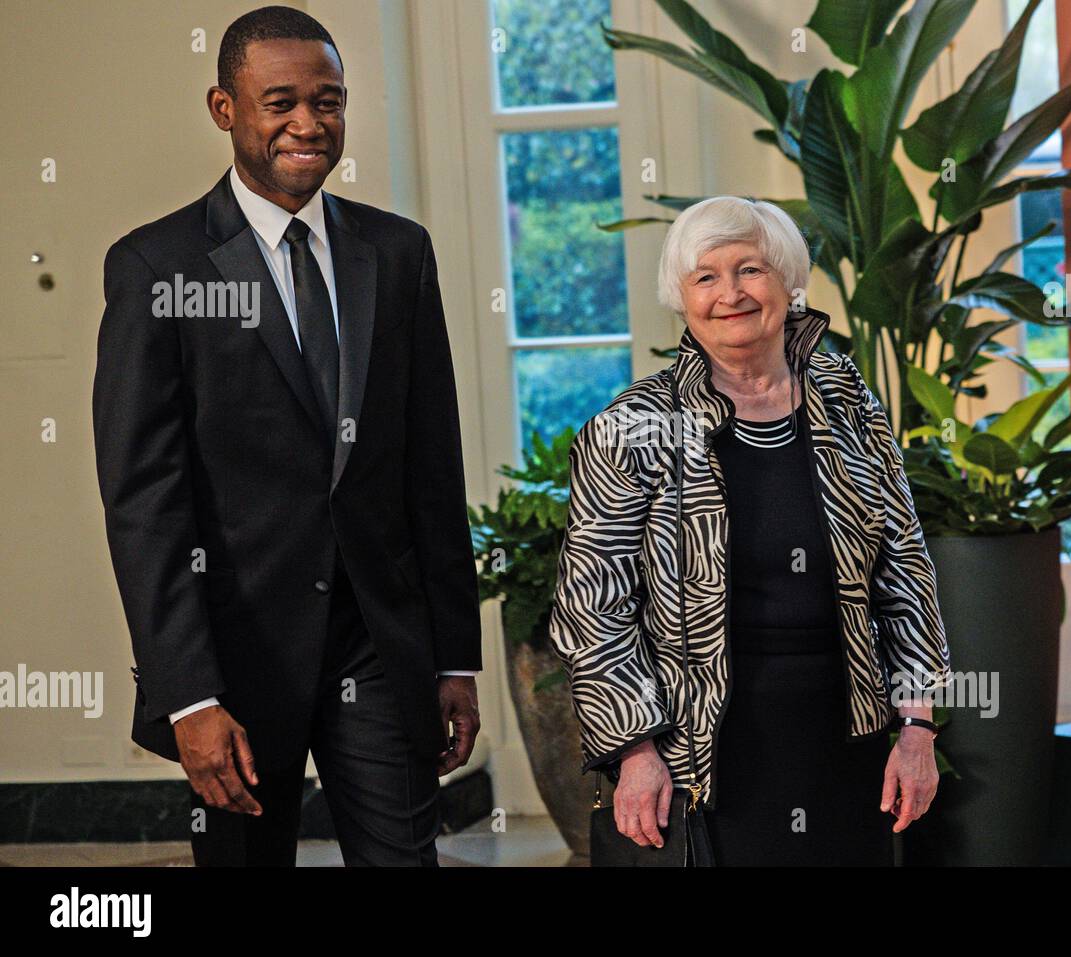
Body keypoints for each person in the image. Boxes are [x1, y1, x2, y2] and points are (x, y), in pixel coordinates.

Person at [91, 6, 481, 866]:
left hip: (377, 643)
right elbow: (143, 501)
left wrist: (455, 653)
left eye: (329, 99)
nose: (309, 124)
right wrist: (186, 694)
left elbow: (431, 462)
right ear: (225, 108)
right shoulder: (158, 268)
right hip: (232, 660)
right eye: (281, 102)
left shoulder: (399, 252)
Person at [549, 196, 954, 865]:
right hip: (698, 751)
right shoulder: (633, 425)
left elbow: (905, 573)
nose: (730, 293)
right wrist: (635, 748)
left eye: (751, 270)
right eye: (705, 276)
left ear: (788, 281)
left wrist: (916, 729)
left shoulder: (849, 402)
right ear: (680, 296)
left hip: (842, 737)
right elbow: (593, 607)